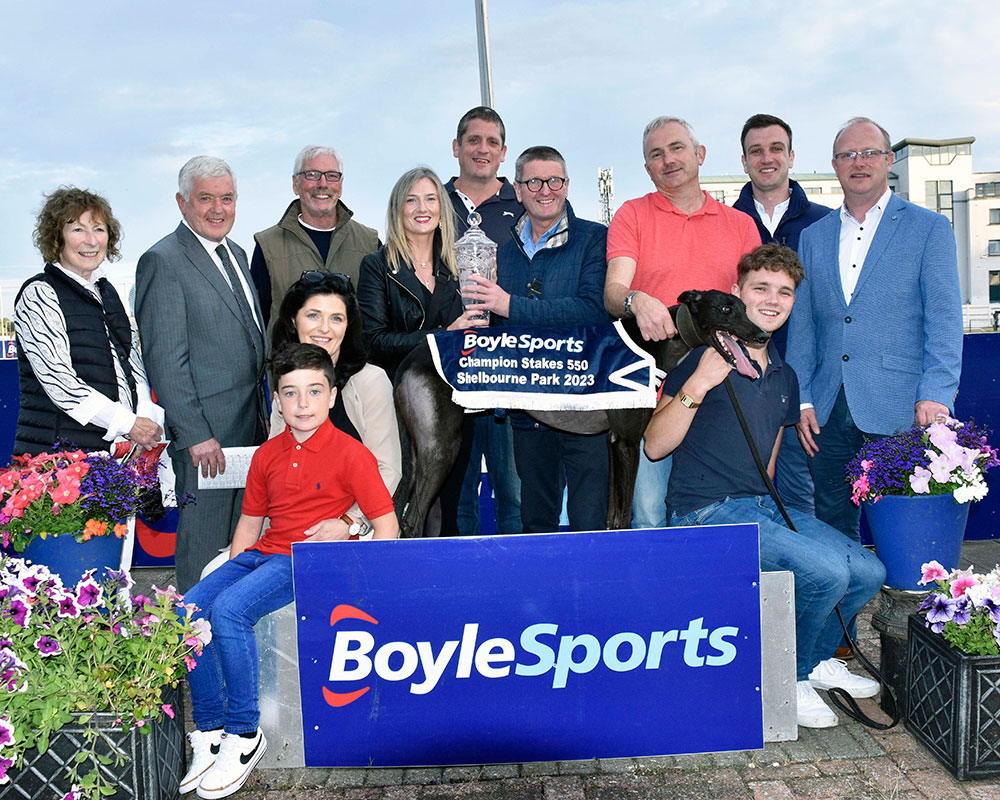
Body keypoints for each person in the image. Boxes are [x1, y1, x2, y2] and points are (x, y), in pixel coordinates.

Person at [644, 243, 886, 729]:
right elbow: (653, 446)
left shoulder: (785, 376)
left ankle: (815, 662)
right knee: (826, 574)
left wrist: (784, 527)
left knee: (866, 569)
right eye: (761, 288)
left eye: (785, 292)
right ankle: (786, 678)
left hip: (760, 506)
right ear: (737, 292)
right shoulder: (700, 361)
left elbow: (768, 464)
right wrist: (698, 385)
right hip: (704, 512)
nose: (773, 300)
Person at [180, 343, 397, 799]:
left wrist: (368, 580)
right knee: (187, 610)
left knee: (231, 611)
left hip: (308, 560)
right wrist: (231, 569)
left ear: (332, 396)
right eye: (291, 393)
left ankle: (244, 733)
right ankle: (211, 728)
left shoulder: (351, 453)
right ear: (277, 400)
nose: (302, 403)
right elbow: (249, 522)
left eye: (314, 391)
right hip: (265, 552)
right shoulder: (267, 454)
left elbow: (387, 525)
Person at [786, 117, 963, 541]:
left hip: (901, 404)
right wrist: (802, 397)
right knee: (833, 527)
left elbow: (944, 319)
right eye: (847, 155)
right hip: (827, 410)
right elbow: (804, 325)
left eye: (869, 153)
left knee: (905, 530)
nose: (859, 162)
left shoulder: (930, 228)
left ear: (888, 160)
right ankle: (846, 590)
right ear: (834, 165)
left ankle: (901, 589)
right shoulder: (813, 237)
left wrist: (937, 392)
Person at [604, 116, 761, 528]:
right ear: (647, 168)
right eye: (656, 154)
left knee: (719, 514)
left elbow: (755, 307)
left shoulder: (741, 225)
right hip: (651, 397)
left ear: (700, 154)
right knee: (649, 516)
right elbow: (614, 292)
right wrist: (636, 300)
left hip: (717, 392)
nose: (668, 160)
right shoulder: (632, 214)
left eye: (677, 148)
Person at [135, 156, 268, 592]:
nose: (218, 209)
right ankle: (190, 629)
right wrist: (195, 434)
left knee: (240, 548)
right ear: (182, 203)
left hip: (250, 430)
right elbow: (165, 361)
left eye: (227, 198)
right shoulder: (163, 261)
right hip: (206, 442)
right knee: (203, 548)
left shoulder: (237, 253)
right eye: (206, 199)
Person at [465, 145, 610, 532]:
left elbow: (593, 310)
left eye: (554, 181)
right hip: (528, 409)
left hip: (585, 408)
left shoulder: (595, 238)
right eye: (533, 182)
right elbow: (496, 327)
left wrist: (510, 305)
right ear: (517, 189)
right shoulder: (502, 253)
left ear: (567, 185)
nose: (545, 190)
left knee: (590, 522)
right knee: (536, 521)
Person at [357, 166, 484, 536]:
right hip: (399, 403)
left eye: (430, 199)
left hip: (455, 402)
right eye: (411, 200)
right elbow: (374, 342)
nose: (422, 208)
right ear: (398, 210)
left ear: (442, 208)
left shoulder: (462, 265)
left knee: (451, 505)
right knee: (407, 499)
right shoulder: (377, 266)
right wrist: (443, 336)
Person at [14, 187, 163, 456]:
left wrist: (144, 419)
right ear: (56, 237)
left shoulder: (107, 292)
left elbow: (132, 362)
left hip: (113, 456)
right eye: (78, 230)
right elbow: (60, 382)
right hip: (59, 456)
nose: (91, 241)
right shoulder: (39, 294)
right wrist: (130, 424)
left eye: (99, 229)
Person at [733, 113, 829, 516]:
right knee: (741, 496)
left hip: (803, 387)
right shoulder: (728, 223)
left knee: (800, 499)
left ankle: (804, 559)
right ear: (744, 161)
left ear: (791, 155)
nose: (766, 158)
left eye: (776, 148)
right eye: (756, 151)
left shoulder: (825, 223)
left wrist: (810, 390)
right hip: (741, 385)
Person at [445, 106, 524, 537]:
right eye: (474, 140)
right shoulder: (433, 203)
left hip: (509, 366)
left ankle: (518, 569)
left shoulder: (524, 202)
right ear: (456, 147)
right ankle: (462, 570)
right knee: (457, 489)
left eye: (492, 142)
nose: (483, 149)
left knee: (513, 488)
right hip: (452, 366)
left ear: (503, 152)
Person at [269, 270, 402, 519]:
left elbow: (388, 470)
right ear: (294, 320)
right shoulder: (285, 377)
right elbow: (274, 467)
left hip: (357, 522)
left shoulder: (370, 381)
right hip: (292, 521)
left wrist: (349, 522)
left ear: (347, 326)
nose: (324, 328)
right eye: (313, 315)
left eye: (337, 318)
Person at [251, 145, 379, 329]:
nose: (323, 184)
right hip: (287, 349)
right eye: (312, 175)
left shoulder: (370, 243)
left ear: (341, 184)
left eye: (332, 175)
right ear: (295, 184)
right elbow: (257, 321)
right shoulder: (267, 246)